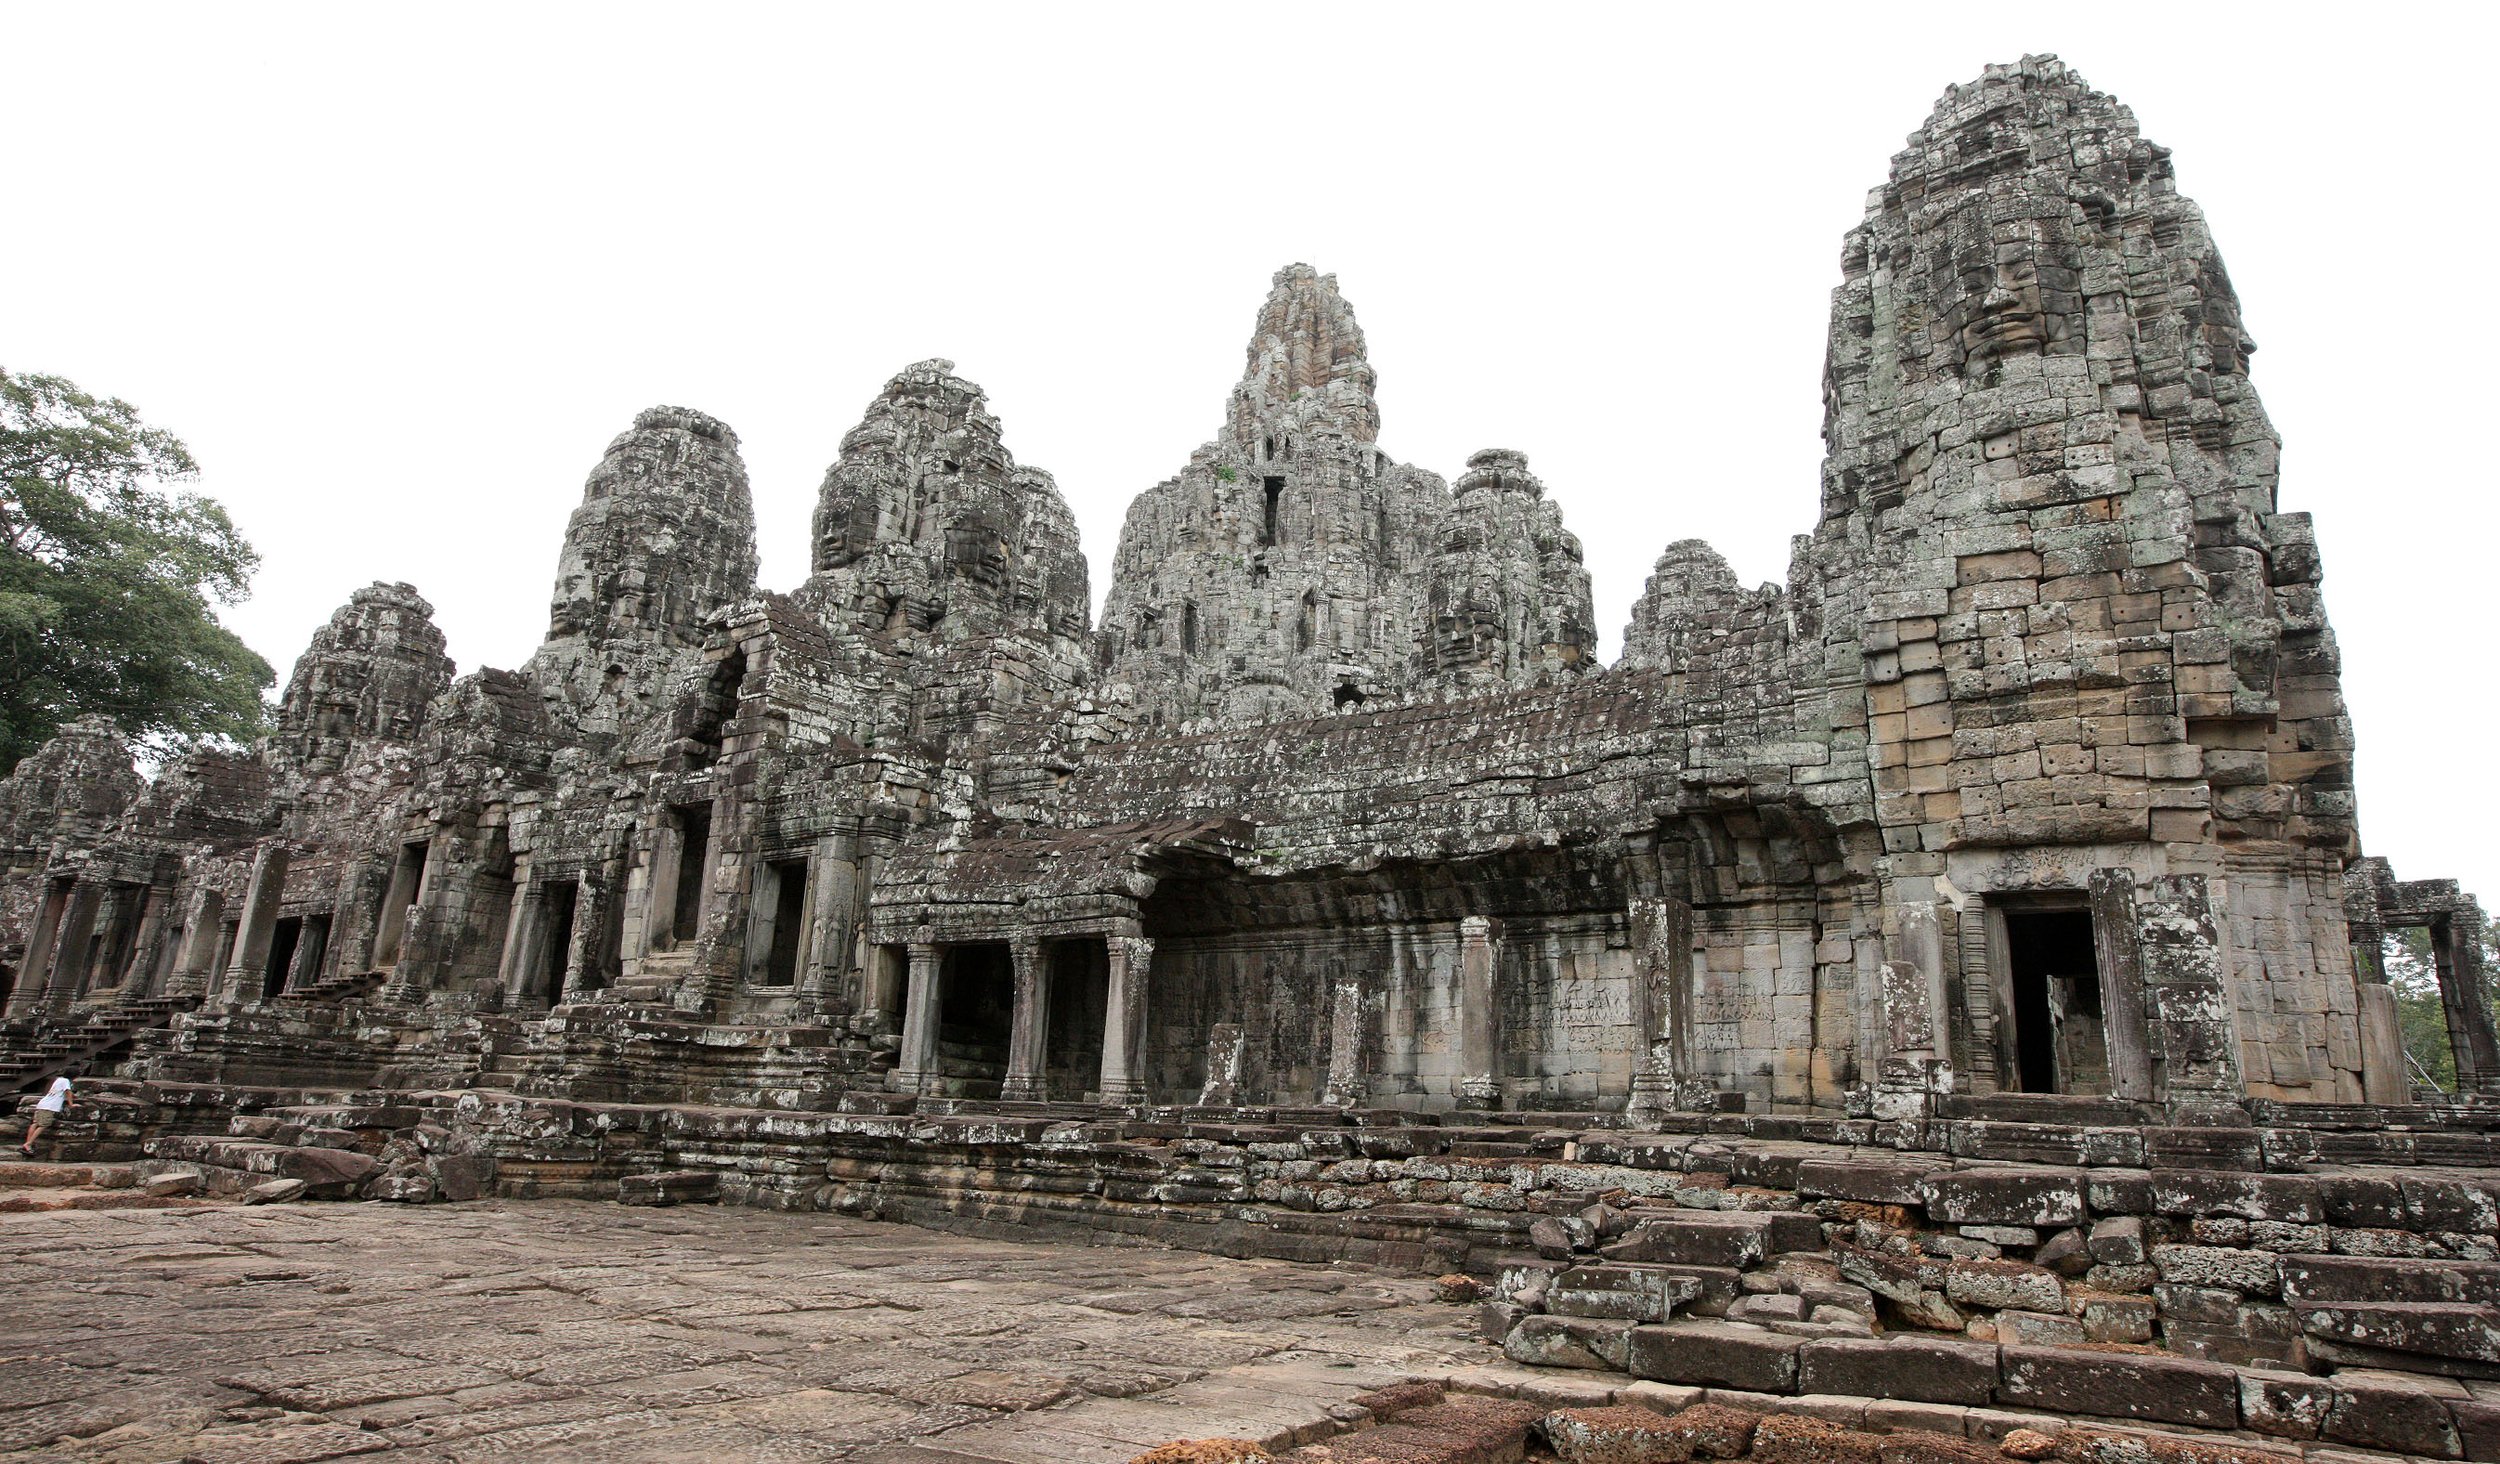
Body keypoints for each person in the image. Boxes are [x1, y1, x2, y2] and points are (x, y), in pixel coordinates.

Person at [18, 1074, 73, 1158]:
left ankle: (28, 1144)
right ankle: (28, 1144)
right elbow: (68, 1091)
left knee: (35, 1123)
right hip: (49, 1106)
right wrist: (71, 1104)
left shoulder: (58, 1079)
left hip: (42, 1104)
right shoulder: (66, 1081)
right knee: (43, 1125)